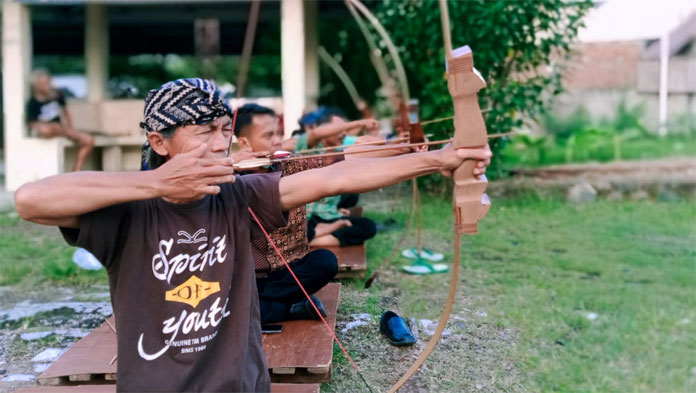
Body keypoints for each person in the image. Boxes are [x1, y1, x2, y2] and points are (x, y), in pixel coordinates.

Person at [14, 78, 491, 393]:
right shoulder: (126, 210)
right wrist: (156, 183)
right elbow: (30, 199)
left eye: (224, 129)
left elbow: (333, 179)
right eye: (203, 131)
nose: (219, 142)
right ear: (159, 142)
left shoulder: (237, 193)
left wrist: (441, 159)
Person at [234, 103, 339, 324]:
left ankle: (261, 307)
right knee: (226, 305)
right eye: (268, 135)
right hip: (248, 278)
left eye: (278, 134)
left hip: (287, 271)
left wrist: (393, 150)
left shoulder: (287, 165)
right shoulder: (229, 178)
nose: (277, 140)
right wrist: (232, 166)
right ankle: (290, 308)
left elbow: (337, 164)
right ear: (243, 142)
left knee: (325, 261)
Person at [26, 69, 94, 171]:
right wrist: (50, 127)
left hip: (62, 130)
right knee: (50, 128)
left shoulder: (57, 95)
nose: (47, 85)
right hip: (48, 131)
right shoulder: (32, 102)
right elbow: (32, 123)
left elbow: (66, 113)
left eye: (48, 82)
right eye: (43, 83)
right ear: (36, 86)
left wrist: (70, 128)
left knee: (89, 140)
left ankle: (77, 169)